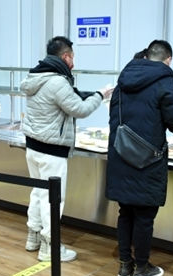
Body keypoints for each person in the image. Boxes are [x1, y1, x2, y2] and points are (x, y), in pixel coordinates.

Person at [106, 40, 173, 276]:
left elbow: (113, 115)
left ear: (147, 56)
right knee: (145, 215)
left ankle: (125, 265)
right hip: (148, 158)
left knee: (125, 211)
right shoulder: (166, 82)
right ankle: (142, 267)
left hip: (120, 153)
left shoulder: (123, 78)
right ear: (168, 60)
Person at [21, 36, 113, 262]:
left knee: (38, 193)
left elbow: (67, 98)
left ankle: (33, 238)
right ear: (65, 56)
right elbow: (79, 109)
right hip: (52, 150)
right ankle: (50, 248)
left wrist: (88, 93)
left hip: (33, 146)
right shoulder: (58, 81)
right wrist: (100, 96)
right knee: (53, 199)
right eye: (72, 57)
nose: (73, 62)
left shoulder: (37, 76)